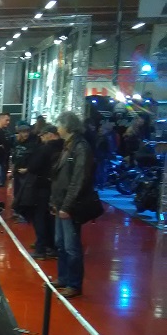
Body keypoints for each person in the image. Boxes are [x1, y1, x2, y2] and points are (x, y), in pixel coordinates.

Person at [50, 111, 95, 299]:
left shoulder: (80, 147)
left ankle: (74, 284)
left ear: (67, 126)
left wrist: (67, 206)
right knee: (60, 244)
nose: (57, 128)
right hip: (61, 202)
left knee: (71, 247)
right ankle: (63, 277)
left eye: (59, 124)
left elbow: (78, 180)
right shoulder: (68, 146)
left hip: (70, 205)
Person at [26, 125, 63, 260]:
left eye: (42, 135)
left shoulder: (45, 149)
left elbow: (33, 166)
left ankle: (41, 247)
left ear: (49, 135)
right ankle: (52, 246)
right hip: (58, 188)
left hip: (43, 186)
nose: (41, 138)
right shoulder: (65, 148)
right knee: (52, 218)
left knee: (40, 217)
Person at [11, 122, 39, 222]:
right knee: (16, 192)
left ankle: (24, 215)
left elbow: (35, 159)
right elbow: (14, 158)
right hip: (17, 171)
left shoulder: (33, 144)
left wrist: (27, 169)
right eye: (23, 132)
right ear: (19, 133)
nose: (26, 134)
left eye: (27, 132)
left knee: (25, 195)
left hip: (27, 172)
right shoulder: (16, 143)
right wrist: (12, 170)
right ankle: (17, 211)